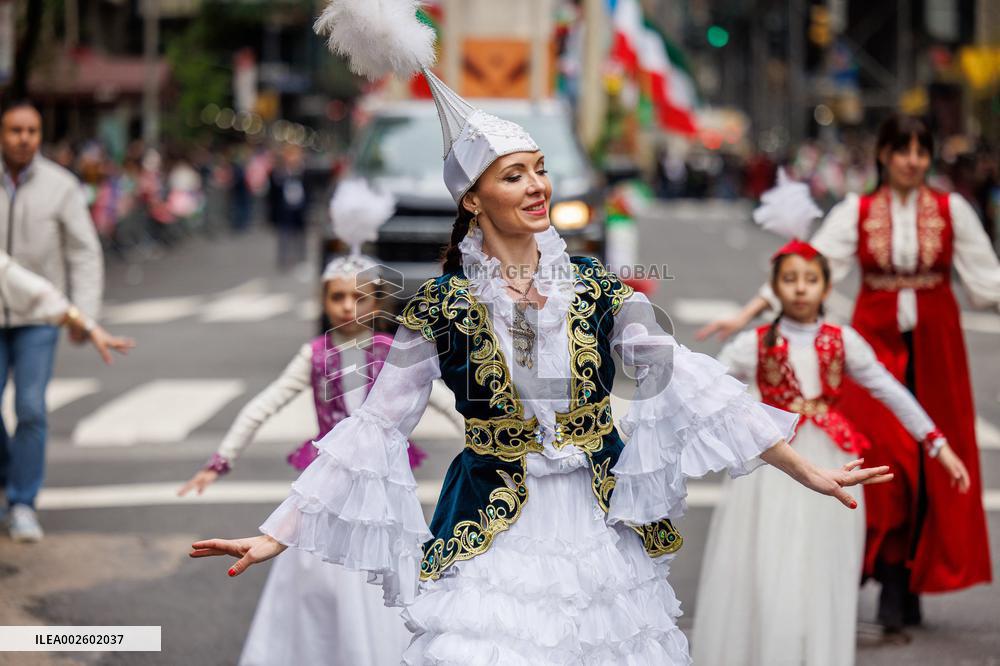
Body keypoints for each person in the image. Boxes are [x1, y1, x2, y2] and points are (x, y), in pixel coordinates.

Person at [188, 3, 892, 663]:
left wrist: (807, 468)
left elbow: (688, 379)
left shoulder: (596, 286)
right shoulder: (440, 307)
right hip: (491, 534)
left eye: (541, 171)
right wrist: (277, 531)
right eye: (515, 175)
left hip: (597, 530)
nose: (538, 187)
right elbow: (374, 427)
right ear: (473, 199)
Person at [698, 114, 998, 637]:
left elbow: (987, 278)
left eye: (921, 151)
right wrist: (746, 316)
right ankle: (886, 575)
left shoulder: (952, 210)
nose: (912, 161)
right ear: (882, 155)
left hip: (938, 345)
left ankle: (909, 580)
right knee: (888, 462)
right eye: (901, 150)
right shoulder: (858, 211)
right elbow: (807, 267)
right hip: (875, 338)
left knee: (934, 462)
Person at [177, 181, 459, 665]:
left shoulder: (393, 355)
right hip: (324, 480)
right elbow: (260, 406)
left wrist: (499, 441)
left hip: (382, 486)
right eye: (337, 297)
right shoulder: (315, 355)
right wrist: (219, 462)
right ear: (323, 301)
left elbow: (449, 405)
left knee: (379, 572)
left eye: (360, 297)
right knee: (314, 577)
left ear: (378, 301)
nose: (349, 307)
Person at [692, 239, 969, 666]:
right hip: (775, 463)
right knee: (768, 566)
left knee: (822, 570)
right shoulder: (756, 343)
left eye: (810, 279)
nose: (800, 288)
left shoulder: (845, 341)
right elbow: (707, 390)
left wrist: (937, 443)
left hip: (834, 460)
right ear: (775, 287)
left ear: (826, 287)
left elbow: (889, 390)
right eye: (790, 279)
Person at [0, 99, 105, 542]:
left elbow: (84, 252)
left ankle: (23, 501)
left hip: (40, 317)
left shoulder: (61, 185)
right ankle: (11, 477)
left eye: (33, 131)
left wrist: (83, 314)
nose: (25, 139)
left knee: (30, 407)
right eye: (15, 130)